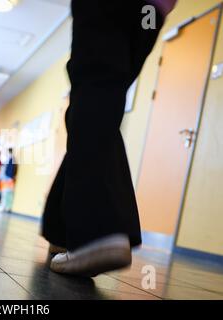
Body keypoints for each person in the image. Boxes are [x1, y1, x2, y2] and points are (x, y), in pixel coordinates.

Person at [42, 0, 177, 277]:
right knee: (101, 96)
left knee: (93, 89)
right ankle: (62, 230)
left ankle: (98, 233)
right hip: (150, 13)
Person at [0, 148, 17, 213]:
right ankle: (5, 207)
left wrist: (9, 178)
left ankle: (5, 207)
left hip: (7, 179)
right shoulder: (9, 159)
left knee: (6, 193)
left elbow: (9, 170)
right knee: (6, 193)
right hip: (6, 179)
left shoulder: (11, 159)